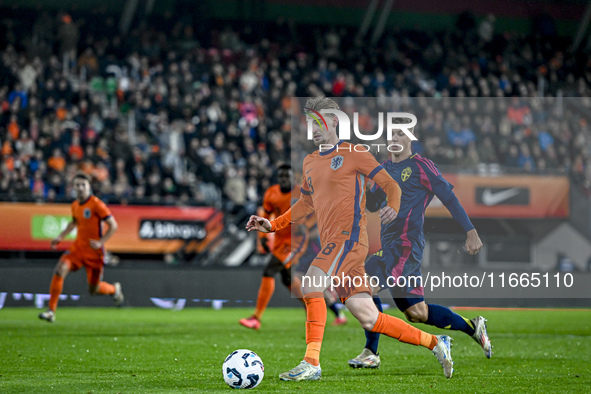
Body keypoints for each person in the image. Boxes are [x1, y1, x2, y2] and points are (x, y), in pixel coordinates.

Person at [246, 96, 454, 381]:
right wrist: (271, 225)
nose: (313, 129)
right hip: (338, 246)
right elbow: (305, 204)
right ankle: (436, 343)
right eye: (309, 123)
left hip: (349, 239)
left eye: (318, 122)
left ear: (333, 122)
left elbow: (389, 183)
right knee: (368, 316)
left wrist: (392, 205)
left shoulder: (354, 152)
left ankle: (311, 363)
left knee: (310, 284)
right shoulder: (309, 162)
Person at [348, 120, 491, 369]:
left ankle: (371, 352)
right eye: (390, 133)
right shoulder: (383, 168)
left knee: (365, 288)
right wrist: (366, 186)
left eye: (399, 133)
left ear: (410, 137)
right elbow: (372, 206)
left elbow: (449, 198)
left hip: (406, 247)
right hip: (391, 247)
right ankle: (472, 326)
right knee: (417, 313)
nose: (393, 137)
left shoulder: (421, 166)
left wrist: (471, 231)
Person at [39, 172, 123, 323]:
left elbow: (113, 225)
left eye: (83, 185)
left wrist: (100, 242)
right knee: (60, 269)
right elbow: (74, 222)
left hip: (95, 254)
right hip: (78, 250)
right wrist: (60, 236)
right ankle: (51, 311)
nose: (80, 188)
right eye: (77, 185)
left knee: (94, 290)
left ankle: (114, 290)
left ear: (89, 187)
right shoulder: (75, 205)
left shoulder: (97, 204)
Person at [239, 164, 308, 330]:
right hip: (279, 240)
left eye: (287, 176)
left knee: (269, 270)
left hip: (295, 241)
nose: (284, 179)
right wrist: (263, 237)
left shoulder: (302, 194)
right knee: (287, 279)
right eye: (281, 176)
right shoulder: (271, 193)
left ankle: (256, 318)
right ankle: (312, 307)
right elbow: (266, 215)